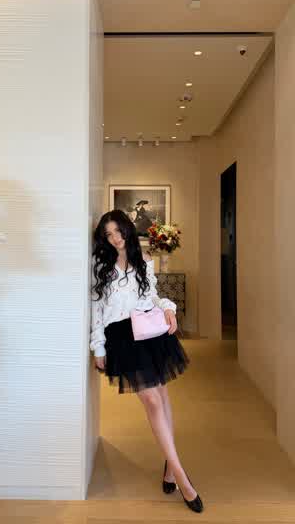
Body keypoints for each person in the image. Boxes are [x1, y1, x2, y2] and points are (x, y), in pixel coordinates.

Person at [90, 209, 204, 513]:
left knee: (162, 398)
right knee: (152, 401)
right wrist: (98, 347)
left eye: (118, 231)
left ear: (127, 229)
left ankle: (170, 468)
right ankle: (181, 475)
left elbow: (151, 295)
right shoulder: (100, 265)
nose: (115, 238)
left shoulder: (143, 260)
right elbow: (97, 308)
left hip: (147, 332)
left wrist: (167, 307)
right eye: (108, 234)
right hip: (120, 338)